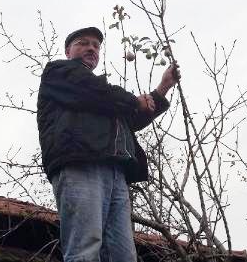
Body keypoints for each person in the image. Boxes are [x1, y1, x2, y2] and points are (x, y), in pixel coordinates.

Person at [37, 26, 179, 262]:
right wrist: (134, 101)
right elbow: (97, 93)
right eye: (83, 43)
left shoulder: (105, 99)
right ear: (67, 51)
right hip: (80, 165)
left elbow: (129, 119)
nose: (91, 48)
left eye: (96, 45)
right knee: (85, 249)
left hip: (116, 173)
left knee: (123, 255)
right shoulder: (59, 72)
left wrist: (163, 88)